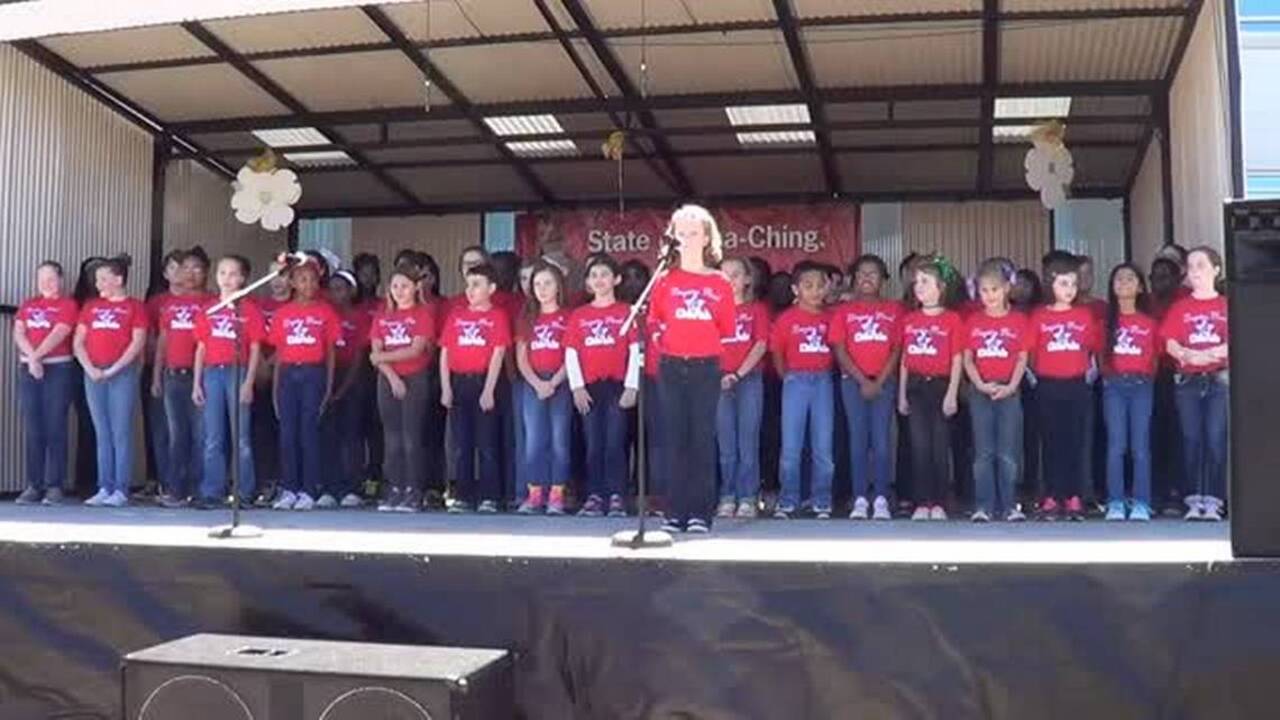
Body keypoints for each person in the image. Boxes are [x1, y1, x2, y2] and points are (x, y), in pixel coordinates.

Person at [648, 205, 736, 533]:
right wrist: (663, 338)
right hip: (671, 366)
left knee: (701, 438)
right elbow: (654, 319)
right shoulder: (664, 280)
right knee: (674, 439)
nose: (686, 239)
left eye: (693, 233)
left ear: (706, 238)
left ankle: (700, 513)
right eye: (681, 234)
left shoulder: (719, 282)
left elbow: (726, 326)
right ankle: (675, 512)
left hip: (705, 367)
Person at [565, 254, 640, 518]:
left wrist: (632, 387)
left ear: (616, 279)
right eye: (594, 275)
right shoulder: (579, 316)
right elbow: (571, 353)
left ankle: (617, 495)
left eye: (604, 275)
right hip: (590, 388)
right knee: (593, 442)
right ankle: (595, 495)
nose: (599, 280)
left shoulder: (626, 312)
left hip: (617, 386)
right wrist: (577, 387)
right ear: (587, 282)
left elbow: (634, 351)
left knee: (615, 442)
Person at [829, 254, 901, 521]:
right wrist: (862, 381)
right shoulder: (844, 312)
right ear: (853, 279)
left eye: (873, 273)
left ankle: (880, 497)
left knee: (881, 441)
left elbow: (896, 349)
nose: (867, 278)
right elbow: (839, 348)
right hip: (853, 384)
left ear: (883, 279)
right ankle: (860, 497)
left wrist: (878, 382)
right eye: (861, 273)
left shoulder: (894, 310)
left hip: (884, 383)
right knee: (858, 440)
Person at [1028, 255, 1100, 521]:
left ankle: (1073, 496)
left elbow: (1092, 349)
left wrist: (1086, 375)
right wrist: (1038, 377)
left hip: (1076, 386)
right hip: (1048, 385)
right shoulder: (1040, 316)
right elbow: (1030, 352)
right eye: (1063, 283)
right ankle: (1051, 495)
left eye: (1072, 284)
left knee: (1075, 441)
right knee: (1050, 441)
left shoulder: (1084, 315)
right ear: (1051, 286)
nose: (1069, 289)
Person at [1161, 246, 1229, 521]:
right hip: (1188, 380)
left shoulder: (1225, 305)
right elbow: (1170, 342)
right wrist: (1187, 354)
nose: (1195, 271)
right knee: (1190, 439)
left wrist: (1208, 355)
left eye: (1201, 265)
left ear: (1216, 269)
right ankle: (1193, 499)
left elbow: (1233, 340)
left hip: (1218, 379)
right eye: (1191, 266)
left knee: (1215, 439)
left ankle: (1213, 499)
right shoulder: (1180, 307)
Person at [192, 255, 265, 509]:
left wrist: (248, 382)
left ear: (243, 279)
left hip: (238, 371)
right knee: (212, 436)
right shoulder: (208, 309)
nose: (227, 278)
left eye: (233, 274)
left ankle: (243, 491)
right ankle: (211, 490)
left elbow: (255, 348)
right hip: (212, 372)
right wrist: (196, 382)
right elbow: (201, 347)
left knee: (240, 436)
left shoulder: (249, 310)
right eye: (222, 273)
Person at [74, 255, 147, 507]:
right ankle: (104, 486)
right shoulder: (91, 307)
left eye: (104, 278)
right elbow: (78, 342)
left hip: (121, 373)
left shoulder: (135, 306)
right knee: (101, 431)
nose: (99, 283)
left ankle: (121, 489)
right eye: (97, 280)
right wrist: (89, 367)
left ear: (118, 279)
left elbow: (137, 342)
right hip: (93, 373)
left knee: (120, 431)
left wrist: (115, 368)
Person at [269, 259, 340, 511]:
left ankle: (309, 489)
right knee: (287, 434)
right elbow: (279, 353)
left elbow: (331, 352)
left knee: (309, 433)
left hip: (314, 373)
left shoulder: (326, 311)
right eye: (302, 279)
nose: (308, 284)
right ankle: (289, 488)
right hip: (289, 373)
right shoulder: (283, 313)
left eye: (312, 279)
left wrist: (329, 386)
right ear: (292, 282)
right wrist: (276, 390)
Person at [962, 259, 1029, 523]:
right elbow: (968, 358)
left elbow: (1022, 358)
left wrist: (1012, 385)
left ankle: (1010, 505)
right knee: (983, 452)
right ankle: (984, 505)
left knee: (1008, 451)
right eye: (984, 291)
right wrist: (978, 384)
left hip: (1009, 390)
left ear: (1006, 290)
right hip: (982, 390)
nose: (990, 296)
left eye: (995, 289)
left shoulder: (1019, 321)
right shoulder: (974, 321)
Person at [898, 258, 964, 521]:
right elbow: (905, 358)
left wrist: (952, 393)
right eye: (917, 283)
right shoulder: (910, 319)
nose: (920, 287)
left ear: (940, 287)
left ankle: (939, 501)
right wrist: (901, 394)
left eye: (926, 282)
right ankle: (922, 501)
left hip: (940, 386)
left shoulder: (952, 319)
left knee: (939, 446)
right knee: (919, 446)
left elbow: (957, 358)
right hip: (915, 386)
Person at [441, 263, 510, 513]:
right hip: (459, 382)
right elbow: (445, 352)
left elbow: (498, 353)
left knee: (487, 442)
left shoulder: (497, 316)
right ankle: (463, 495)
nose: (470, 290)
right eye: (468, 284)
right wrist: (446, 387)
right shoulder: (456, 315)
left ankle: (489, 496)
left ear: (491, 288)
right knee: (462, 443)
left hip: (484, 382)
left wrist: (489, 389)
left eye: (477, 285)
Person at [770, 261, 835, 520]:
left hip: (823, 382)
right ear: (796, 289)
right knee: (791, 446)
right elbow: (777, 353)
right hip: (796, 381)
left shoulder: (831, 317)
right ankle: (788, 500)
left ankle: (821, 499)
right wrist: (788, 378)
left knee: (823, 446)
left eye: (820, 285)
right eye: (808, 286)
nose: (815, 291)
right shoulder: (787, 319)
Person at [370, 266, 436, 513]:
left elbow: (416, 349)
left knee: (411, 437)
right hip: (388, 381)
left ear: (415, 288)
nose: (400, 291)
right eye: (395, 286)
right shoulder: (382, 316)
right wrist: (391, 375)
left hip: (415, 378)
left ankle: (413, 490)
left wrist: (384, 358)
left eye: (405, 286)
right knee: (392, 438)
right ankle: (394, 488)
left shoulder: (422, 315)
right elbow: (374, 354)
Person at [13, 261, 78, 505]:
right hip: (29, 368)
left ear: (60, 279)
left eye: (51, 278)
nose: (46, 283)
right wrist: (32, 360)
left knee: (55, 426)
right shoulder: (29, 304)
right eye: (41, 278)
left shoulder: (67, 304)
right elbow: (19, 332)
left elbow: (60, 332)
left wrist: (37, 357)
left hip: (58, 368)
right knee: (33, 426)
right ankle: (33, 484)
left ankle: (55, 485)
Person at [152, 250, 212, 507]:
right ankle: (176, 490)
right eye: (185, 268)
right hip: (173, 376)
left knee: (202, 435)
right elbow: (163, 343)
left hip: (203, 376)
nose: (190, 273)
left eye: (197, 268)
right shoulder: (171, 306)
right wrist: (156, 377)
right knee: (176, 435)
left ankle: (200, 490)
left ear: (206, 272)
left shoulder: (214, 303)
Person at [1101, 263, 1157, 522]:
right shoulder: (1105, 323)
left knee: (1140, 446)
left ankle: (1142, 502)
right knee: (1116, 446)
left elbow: (1156, 357)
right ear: (1112, 287)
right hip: (1114, 386)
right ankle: (1115, 501)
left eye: (1130, 278)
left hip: (1141, 386)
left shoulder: (1149, 323)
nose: (1124, 283)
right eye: (1118, 279)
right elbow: (1096, 354)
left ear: (1140, 286)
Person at [515, 262, 572, 515]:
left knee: (559, 440)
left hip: (560, 382)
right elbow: (521, 357)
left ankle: (557, 494)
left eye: (548, 283)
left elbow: (572, 355)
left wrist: (554, 382)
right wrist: (537, 383)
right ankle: (535, 493)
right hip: (533, 384)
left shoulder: (568, 317)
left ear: (558, 285)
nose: (542, 289)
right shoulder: (527, 318)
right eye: (537, 284)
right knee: (534, 440)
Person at [715, 257, 769, 519]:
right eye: (724, 275)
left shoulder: (756, 310)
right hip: (718, 381)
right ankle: (727, 495)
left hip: (748, 380)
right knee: (726, 444)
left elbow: (760, 345)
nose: (730, 280)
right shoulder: (712, 310)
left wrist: (737, 374)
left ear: (748, 279)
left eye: (736, 275)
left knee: (747, 442)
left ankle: (747, 495)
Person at [320, 270, 372, 508]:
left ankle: (353, 487)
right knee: (329, 436)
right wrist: (329, 388)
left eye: (340, 289)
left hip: (353, 380)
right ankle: (331, 486)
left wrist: (342, 389)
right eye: (331, 289)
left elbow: (360, 356)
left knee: (352, 436)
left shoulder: (360, 317)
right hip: (328, 378)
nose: (335, 294)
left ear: (351, 291)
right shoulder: (324, 315)